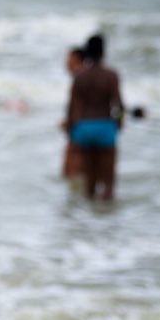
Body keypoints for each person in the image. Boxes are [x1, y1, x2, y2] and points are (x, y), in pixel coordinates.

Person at [66, 35, 125, 200]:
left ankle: (89, 212)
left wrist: (71, 129)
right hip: (105, 127)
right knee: (108, 181)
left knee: (90, 179)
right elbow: (119, 105)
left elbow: (72, 107)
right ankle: (105, 213)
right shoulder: (111, 75)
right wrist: (119, 123)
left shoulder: (79, 76)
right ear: (103, 51)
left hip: (84, 128)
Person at [60, 46, 86, 180]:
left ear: (77, 59)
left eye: (68, 58)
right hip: (97, 126)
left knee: (69, 173)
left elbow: (75, 107)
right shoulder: (89, 75)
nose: (66, 62)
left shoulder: (79, 77)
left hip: (80, 128)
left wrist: (68, 124)